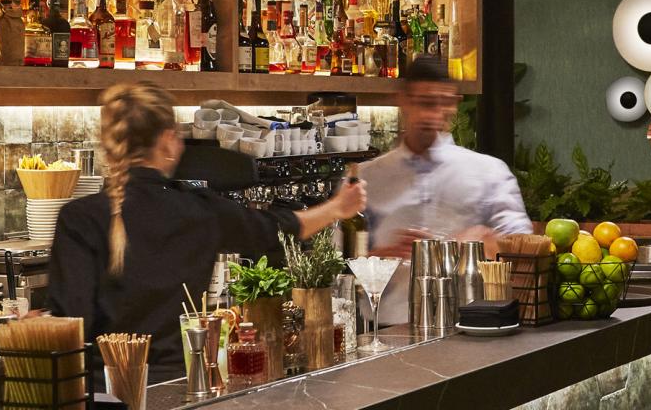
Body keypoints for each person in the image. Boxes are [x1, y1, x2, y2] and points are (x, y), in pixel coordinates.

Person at [49, 82, 366, 381]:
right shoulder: (198, 210)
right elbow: (279, 230)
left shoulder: (78, 218)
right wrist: (337, 207)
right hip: (183, 385)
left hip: (102, 391)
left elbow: (70, 325)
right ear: (168, 140)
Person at [362, 55, 531, 323]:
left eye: (442, 103)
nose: (433, 114)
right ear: (403, 100)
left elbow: (524, 250)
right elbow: (339, 264)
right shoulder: (367, 178)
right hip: (385, 328)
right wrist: (380, 259)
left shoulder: (489, 172)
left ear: (454, 103)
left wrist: (477, 243)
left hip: (469, 323)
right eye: (424, 103)